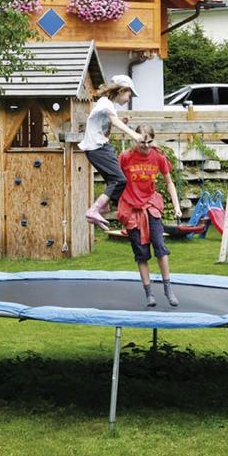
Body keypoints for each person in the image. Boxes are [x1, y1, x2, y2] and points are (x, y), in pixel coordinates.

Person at [116, 124, 183, 307]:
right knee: (141, 254)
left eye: (149, 141)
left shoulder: (158, 157)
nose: (145, 145)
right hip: (132, 210)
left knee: (160, 247)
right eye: (141, 141)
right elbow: (113, 179)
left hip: (151, 206)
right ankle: (149, 293)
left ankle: (168, 289)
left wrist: (176, 205)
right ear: (135, 139)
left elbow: (169, 182)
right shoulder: (125, 157)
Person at [78, 74, 144, 232]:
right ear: (122, 90)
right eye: (129, 94)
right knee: (119, 180)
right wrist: (134, 135)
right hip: (98, 149)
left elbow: (106, 129)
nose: (129, 99)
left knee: (113, 180)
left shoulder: (106, 105)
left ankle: (102, 208)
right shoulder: (105, 104)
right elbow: (114, 121)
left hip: (97, 148)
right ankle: (94, 210)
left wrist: (121, 123)